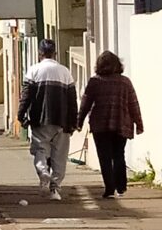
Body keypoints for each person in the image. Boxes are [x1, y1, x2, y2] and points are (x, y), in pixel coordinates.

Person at [76, 51, 144, 199]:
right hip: (121, 123)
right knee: (119, 154)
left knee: (104, 156)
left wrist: (79, 122)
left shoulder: (95, 82)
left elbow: (85, 104)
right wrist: (139, 124)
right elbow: (133, 104)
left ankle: (109, 188)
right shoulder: (125, 82)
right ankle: (121, 186)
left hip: (100, 125)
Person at [17, 39, 78, 200]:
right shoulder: (65, 72)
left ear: (40, 54)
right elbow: (73, 100)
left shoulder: (33, 71)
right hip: (62, 120)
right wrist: (74, 121)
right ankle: (55, 189)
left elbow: (26, 96)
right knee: (60, 156)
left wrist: (21, 114)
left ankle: (43, 172)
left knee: (40, 150)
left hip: (40, 119)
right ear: (55, 53)